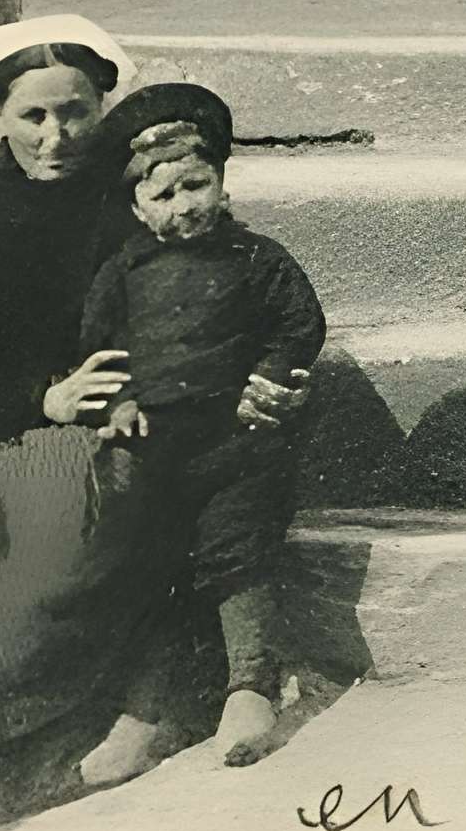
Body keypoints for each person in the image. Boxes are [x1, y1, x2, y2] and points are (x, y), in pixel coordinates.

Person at [0, 20, 308, 826]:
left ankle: (122, 714)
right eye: (33, 116)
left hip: (129, 426)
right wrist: (43, 397)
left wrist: (263, 379)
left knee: (74, 535)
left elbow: (222, 303)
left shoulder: (136, 198)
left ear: (102, 110)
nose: (55, 136)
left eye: (75, 113)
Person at [71, 81, 328, 774]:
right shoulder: (123, 272)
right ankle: (147, 711)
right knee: (147, 562)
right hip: (154, 450)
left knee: (235, 548)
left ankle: (250, 690)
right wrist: (117, 402)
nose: (183, 204)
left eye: (196, 185)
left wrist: (267, 381)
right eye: (163, 194)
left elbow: (298, 325)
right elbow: (98, 348)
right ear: (137, 206)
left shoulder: (255, 258)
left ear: (220, 182)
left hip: (238, 442)